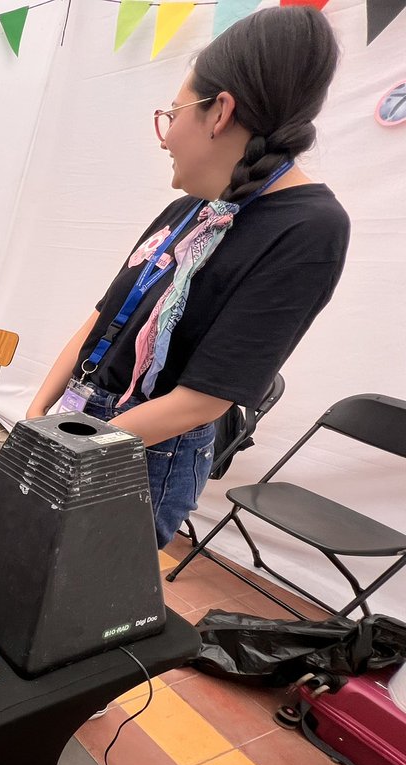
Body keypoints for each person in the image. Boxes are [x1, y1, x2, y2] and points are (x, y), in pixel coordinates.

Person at [25, 6, 349, 548]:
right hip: (82, 420)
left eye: (171, 115)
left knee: (86, 584)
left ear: (219, 112)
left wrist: (72, 444)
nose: (164, 137)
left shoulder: (308, 228)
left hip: (145, 450)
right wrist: (39, 417)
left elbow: (206, 398)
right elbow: (100, 320)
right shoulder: (196, 204)